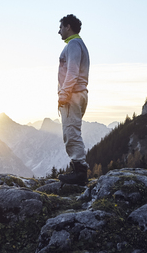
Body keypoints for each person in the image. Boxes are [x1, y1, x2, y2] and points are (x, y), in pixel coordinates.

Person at [57, 14, 90, 186]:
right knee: (73, 131)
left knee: (71, 133)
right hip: (79, 94)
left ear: (68, 27)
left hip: (72, 96)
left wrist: (63, 95)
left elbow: (72, 72)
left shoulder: (74, 44)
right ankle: (79, 171)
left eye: (61, 27)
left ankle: (79, 174)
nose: (59, 31)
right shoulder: (79, 44)